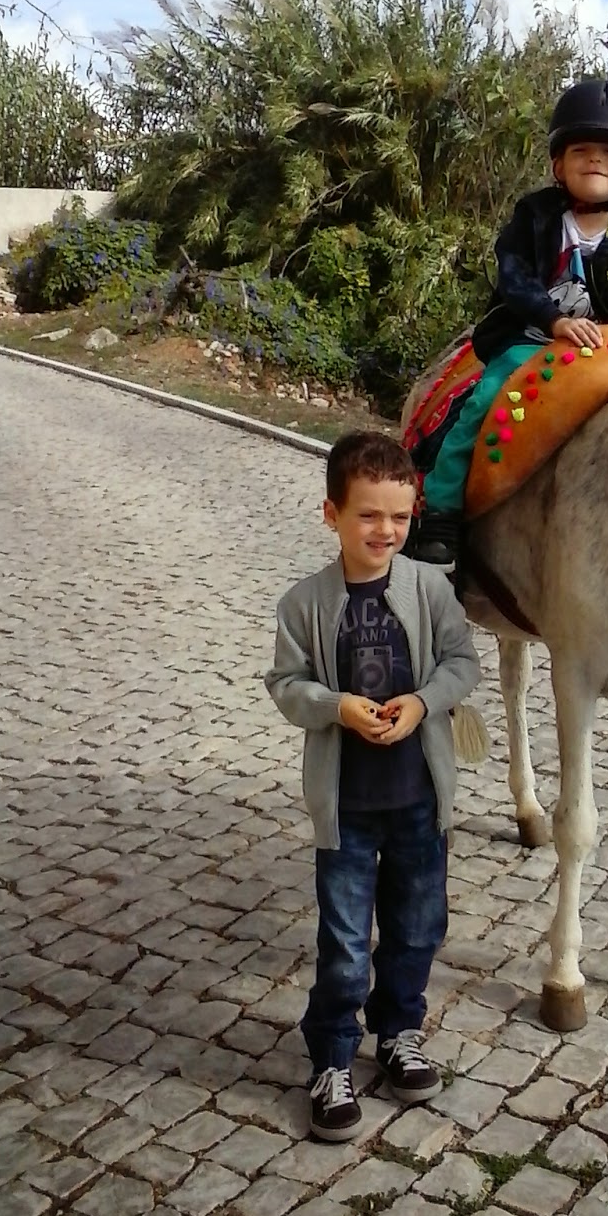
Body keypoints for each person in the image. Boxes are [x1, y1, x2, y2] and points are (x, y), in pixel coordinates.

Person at [265, 431, 481, 1141]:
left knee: (417, 931)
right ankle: (332, 1057)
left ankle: (398, 1033)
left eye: (399, 516)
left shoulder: (430, 590)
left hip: (419, 801)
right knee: (345, 945)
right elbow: (287, 686)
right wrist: (337, 707)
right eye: (367, 515)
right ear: (332, 514)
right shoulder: (304, 604)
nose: (385, 530)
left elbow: (461, 664)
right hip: (347, 811)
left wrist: (422, 702)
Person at [413, 78, 608, 567]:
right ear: (558, 165)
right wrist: (554, 319)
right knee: (484, 403)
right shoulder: (535, 217)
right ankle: (441, 509)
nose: (595, 159)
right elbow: (514, 277)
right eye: (581, 150)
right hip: (531, 341)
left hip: (602, 356)